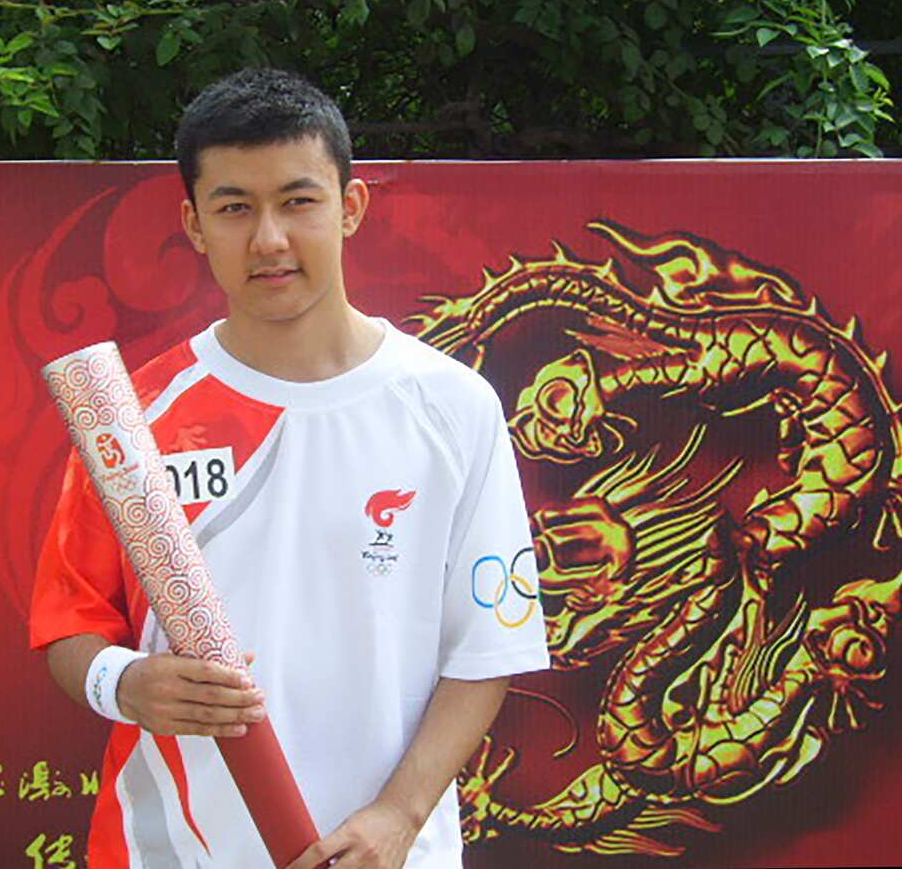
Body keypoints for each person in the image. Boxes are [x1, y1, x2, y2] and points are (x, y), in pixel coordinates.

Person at [29, 68, 550, 869]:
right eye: (234, 208)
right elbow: (69, 626)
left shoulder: (454, 405)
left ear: (350, 207)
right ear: (195, 225)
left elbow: (488, 649)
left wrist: (399, 816)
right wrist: (125, 685)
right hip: (172, 849)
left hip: (386, 851)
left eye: (298, 201)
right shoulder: (133, 421)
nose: (268, 239)